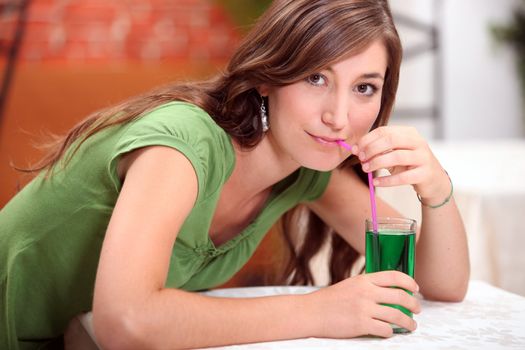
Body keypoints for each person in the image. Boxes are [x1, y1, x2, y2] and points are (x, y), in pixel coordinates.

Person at [0, 0, 470, 349]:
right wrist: (318, 310)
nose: (339, 116)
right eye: (316, 78)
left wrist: (437, 188)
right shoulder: (183, 143)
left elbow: (440, 288)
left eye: (365, 88)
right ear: (268, 76)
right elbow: (125, 321)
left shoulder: (307, 169)